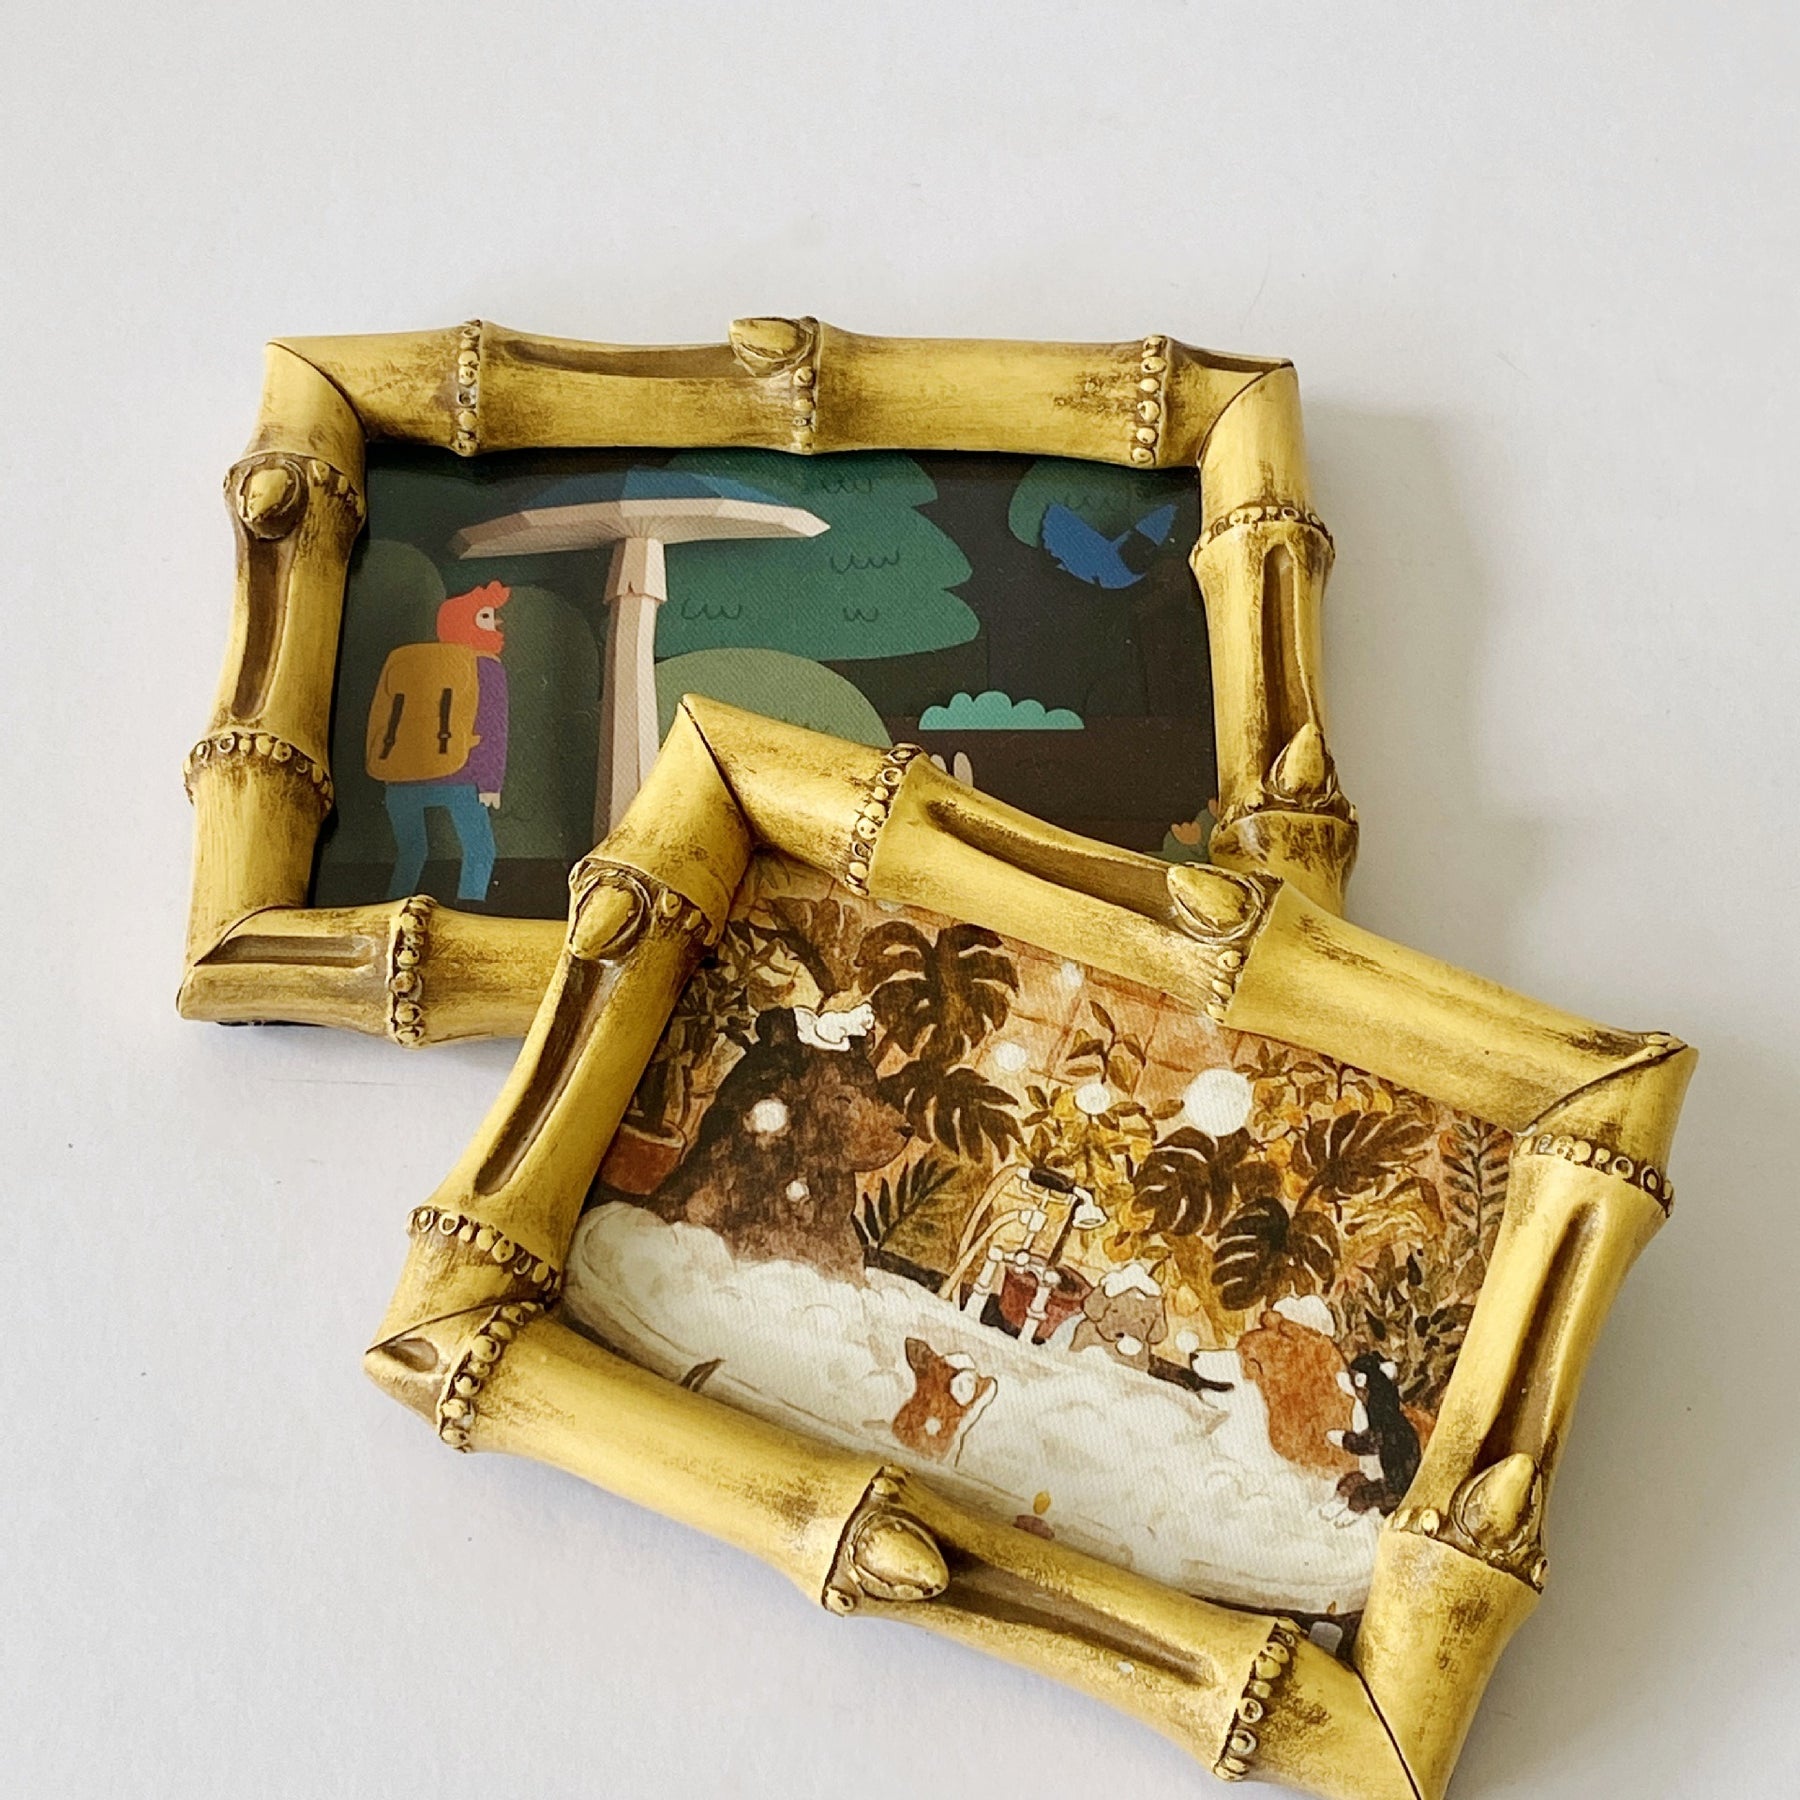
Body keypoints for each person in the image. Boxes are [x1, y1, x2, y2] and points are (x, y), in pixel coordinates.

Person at [369, 581, 510, 902]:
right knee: (480, 849)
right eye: (486, 616)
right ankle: (469, 913)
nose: (497, 622)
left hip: (400, 777)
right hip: (462, 775)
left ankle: (391, 906)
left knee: (412, 851)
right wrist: (490, 783)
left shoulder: (416, 660)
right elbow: (492, 727)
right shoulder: (486, 666)